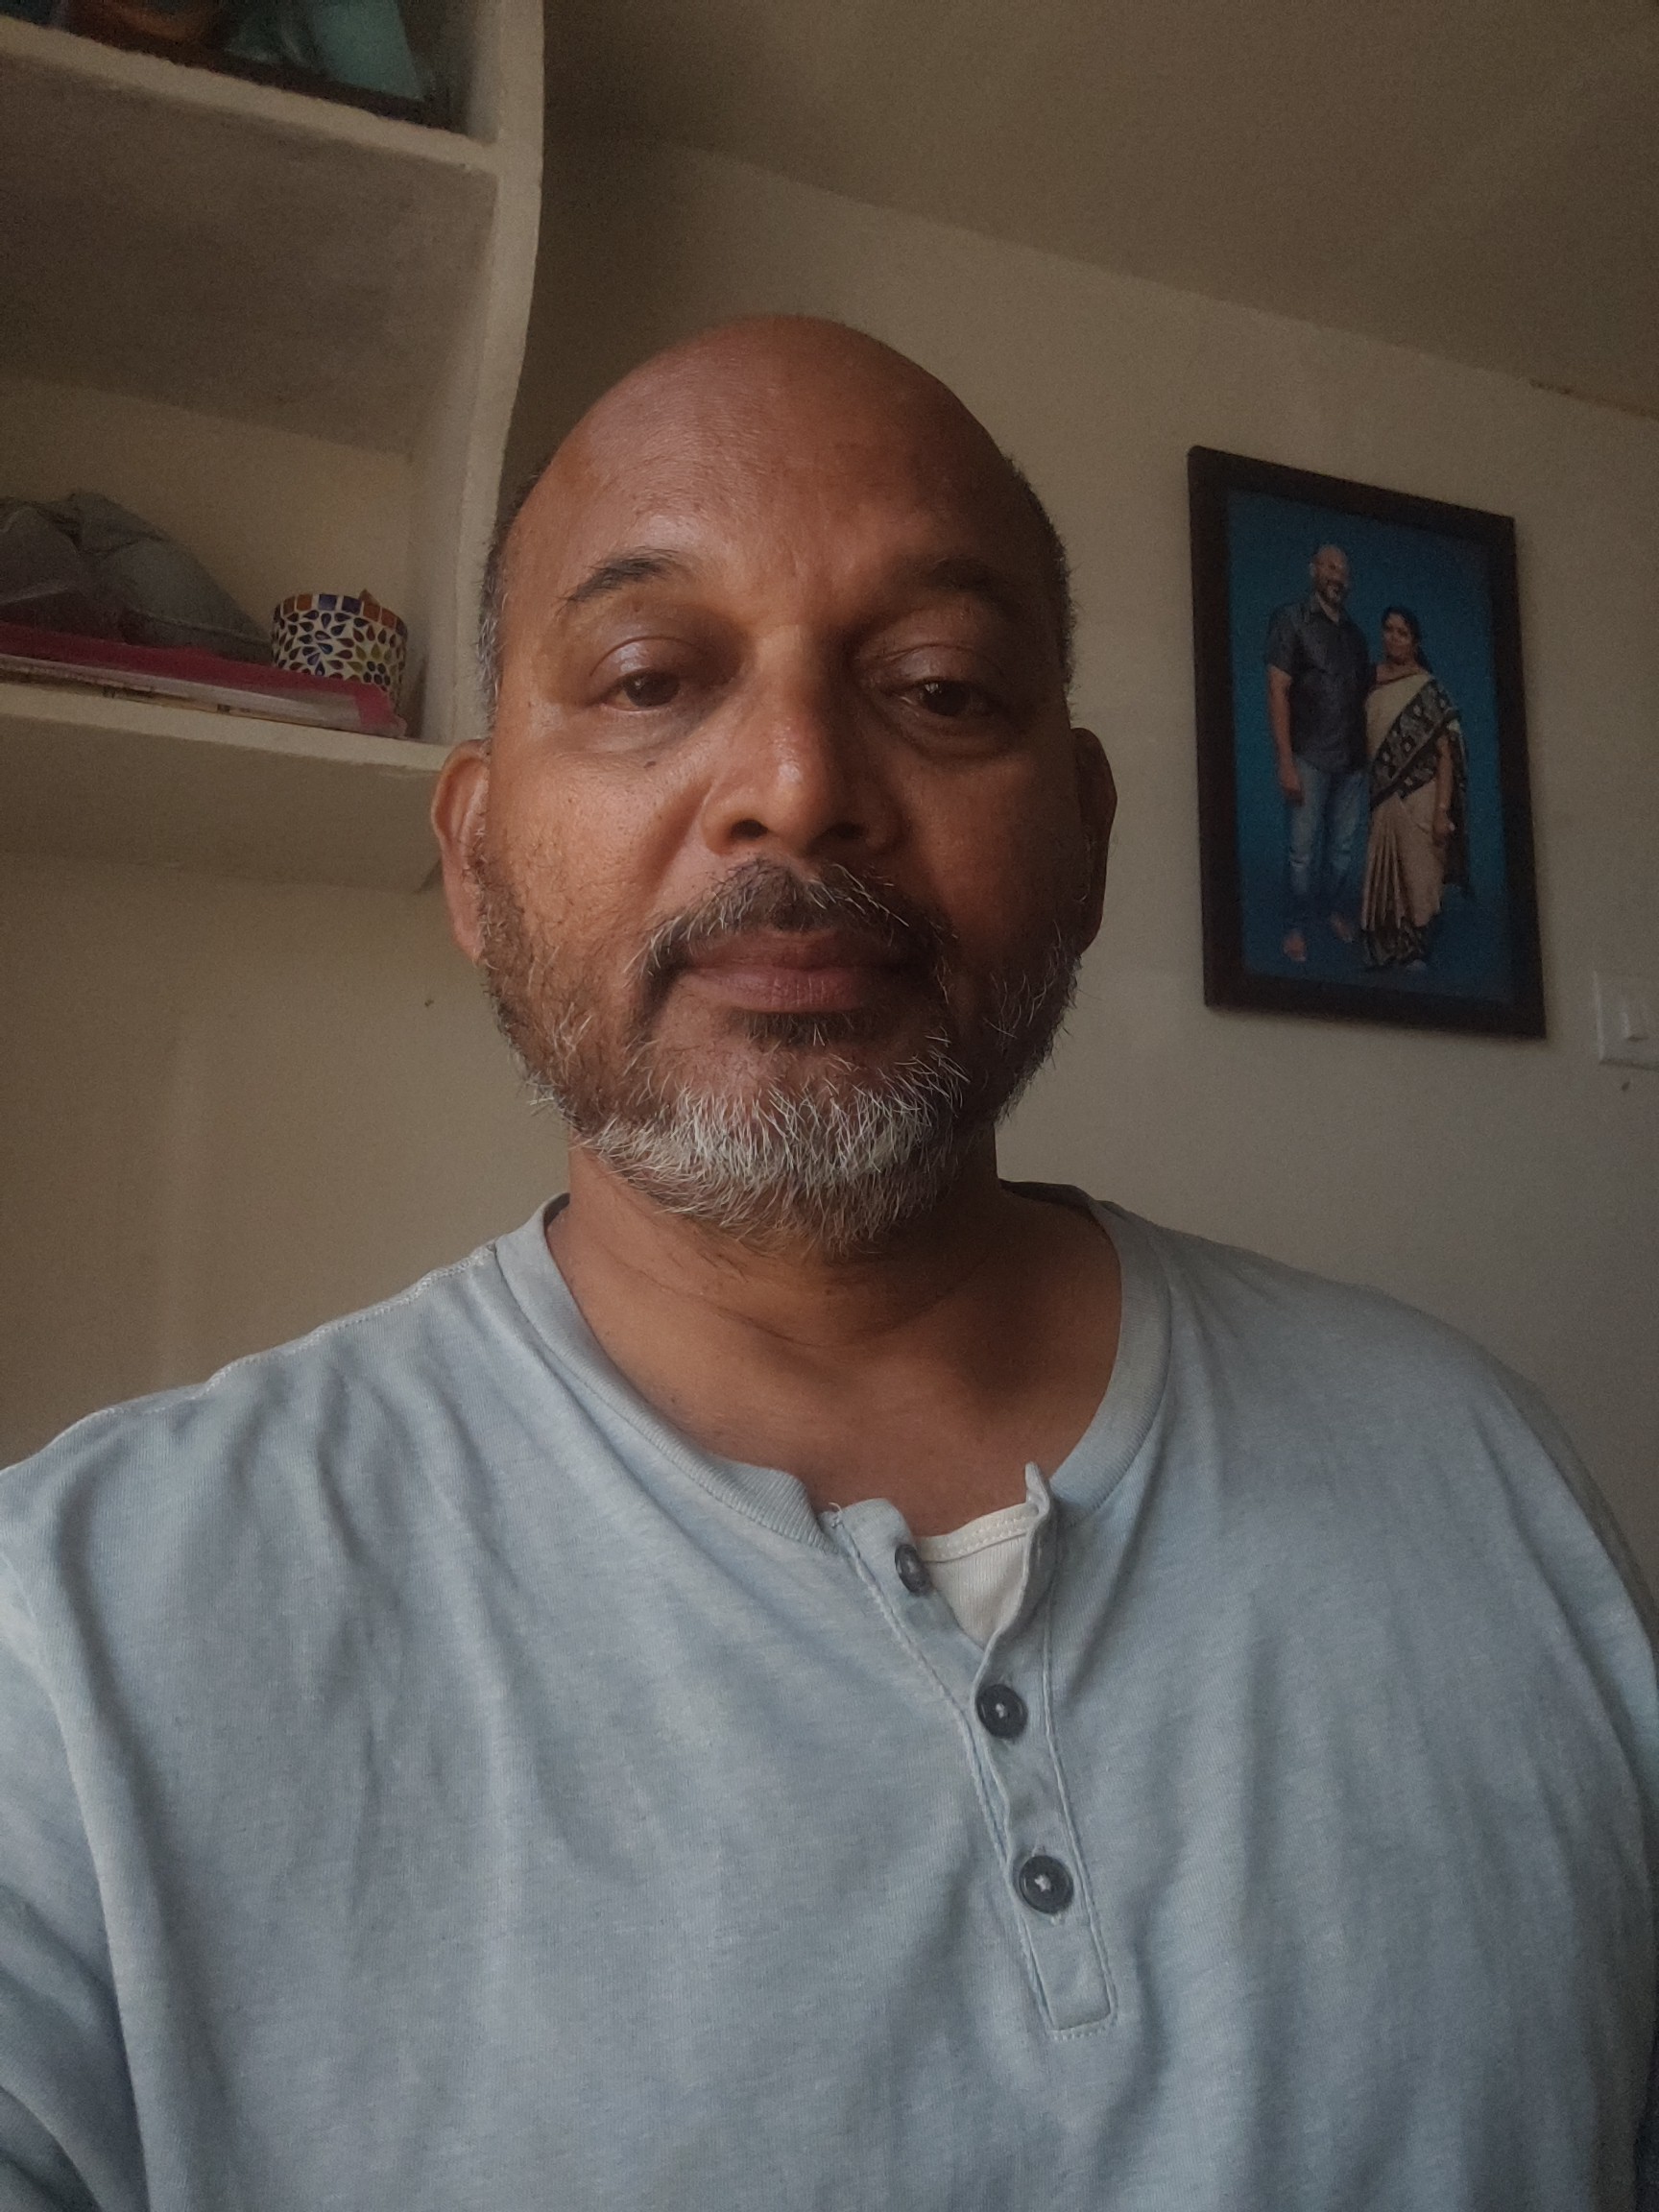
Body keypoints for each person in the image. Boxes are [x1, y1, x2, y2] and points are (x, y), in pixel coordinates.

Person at [0, 319, 1654, 2212]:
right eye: (647, 678)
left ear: (1087, 837)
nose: (795, 782)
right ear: (472, 855)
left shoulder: (1483, 1476)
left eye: (939, 688)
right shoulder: (77, 1648)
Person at [1264, 543, 1372, 962]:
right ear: (1313, 571)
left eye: (1343, 570)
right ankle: (1295, 925)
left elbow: (1367, 693)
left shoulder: (1356, 637)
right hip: (1308, 757)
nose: (1337, 576)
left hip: (1352, 762)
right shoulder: (1290, 621)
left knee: (1342, 851)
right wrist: (1285, 761)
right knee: (1302, 852)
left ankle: (1330, 910)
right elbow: (1277, 690)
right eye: (1330, 567)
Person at [1359, 604, 1470, 969]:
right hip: (1383, 796)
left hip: (1421, 794)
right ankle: (1386, 945)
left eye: (1402, 633)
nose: (1393, 638)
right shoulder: (1371, 682)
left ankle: (1415, 947)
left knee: (1418, 875)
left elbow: (1446, 756)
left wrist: (1442, 811)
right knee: (1386, 872)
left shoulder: (1430, 690)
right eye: (1388, 629)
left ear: (1415, 642)